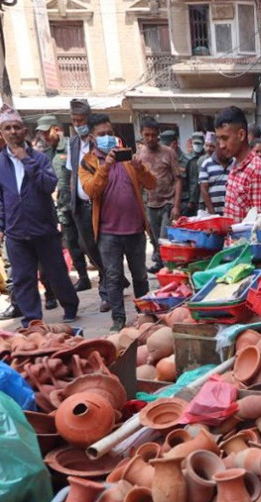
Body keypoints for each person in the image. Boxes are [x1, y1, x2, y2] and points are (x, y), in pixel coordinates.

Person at [0, 106, 79, 327]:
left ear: (24, 130)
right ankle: (32, 317)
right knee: (23, 277)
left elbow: (49, 185)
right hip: (16, 230)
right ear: (1, 132)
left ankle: (70, 305)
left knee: (56, 272)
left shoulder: (38, 158)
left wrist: (26, 160)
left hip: (43, 227)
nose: (12, 132)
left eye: (16, 127)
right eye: (7, 128)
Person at [80, 114, 157, 331]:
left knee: (140, 276)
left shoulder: (128, 158)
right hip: (108, 233)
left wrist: (140, 168)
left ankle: (145, 316)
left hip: (134, 229)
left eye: (110, 133)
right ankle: (118, 320)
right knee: (113, 277)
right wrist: (106, 167)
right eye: (102, 134)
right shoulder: (87, 163)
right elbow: (90, 191)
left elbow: (152, 184)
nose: (108, 138)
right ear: (93, 138)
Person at [62, 98, 106, 304]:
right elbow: (72, 174)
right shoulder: (72, 143)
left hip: (100, 204)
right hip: (80, 205)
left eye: (81, 120)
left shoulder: (101, 141)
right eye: (74, 120)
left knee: (104, 246)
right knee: (86, 245)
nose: (78, 124)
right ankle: (111, 276)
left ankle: (107, 288)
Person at [137, 117, 181, 272]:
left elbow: (178, 179)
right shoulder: (139, 156)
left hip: (167, 203)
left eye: (153, 135)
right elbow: (139, 183)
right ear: (141, 134)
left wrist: (176, 205)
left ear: (158, 135)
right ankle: (162, 264)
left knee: (164, 239)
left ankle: (169, 269)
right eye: (147, 135)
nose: (150, 138)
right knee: (155, 239)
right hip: (150, 204)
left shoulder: (168, 152)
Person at [217, 106, 261, 221]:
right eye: (219, 139)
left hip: (245, 239)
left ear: (241, 135)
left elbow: (259, 228)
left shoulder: (257, 171)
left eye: (225, 138)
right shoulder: (235, 164)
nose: (221, 145)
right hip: (231, 238)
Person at [199, 143, 233, 216]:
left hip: (232, 212)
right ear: (216, 148)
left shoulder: (235, 163)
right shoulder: (206, 164)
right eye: (222, 150)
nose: (225, 153)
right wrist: (212, 213)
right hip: (213, 212)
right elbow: (204, 189)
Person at [183, 131, 206, 216]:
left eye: (199, 143)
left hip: (203, 198)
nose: (197, 145)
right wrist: (191, 199)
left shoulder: (206, 158)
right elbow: (190, 181)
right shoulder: (188, 159)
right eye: (195, 143)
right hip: (191, 199)